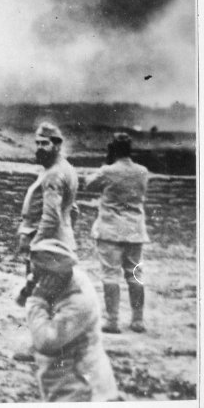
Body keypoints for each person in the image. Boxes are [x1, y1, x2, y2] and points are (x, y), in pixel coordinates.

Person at [25, 239, 118, 402]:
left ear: (53, 276)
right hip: (64, 379)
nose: (37, 280)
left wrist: (36, 300)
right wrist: (30, 287)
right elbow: (21, 298)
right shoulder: (64, 278)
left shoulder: (78, 302)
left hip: (84, 389)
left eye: (40, 275)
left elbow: (45, 342)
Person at [85, 133, 150, 334]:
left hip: (110, 231)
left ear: (112, 149)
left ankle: (112, 320)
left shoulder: (107, 171)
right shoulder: (142, 171)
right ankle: (137, 320)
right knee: (135, 276)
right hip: (134, 231)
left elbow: (88, 184)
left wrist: (107, 163)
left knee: (110, 275)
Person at [16, 122, 79, 300]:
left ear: (57, 145)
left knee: (41, 298)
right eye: (37, 143)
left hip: (46, 242)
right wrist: (66, 232)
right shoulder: (64, 168)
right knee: (55, 294)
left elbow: (51, 216)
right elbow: (74, 209)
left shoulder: (54, 173)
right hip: (59, 239)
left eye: (45, 143)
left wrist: (36, 243)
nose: (40, 148)